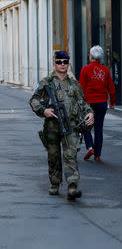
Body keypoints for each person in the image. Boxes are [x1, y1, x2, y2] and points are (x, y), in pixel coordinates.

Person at [29, 51, 94, 200]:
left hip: (70, 125)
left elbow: (83, 103)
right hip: (52, 126)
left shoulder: (74, 84)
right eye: (59, 62)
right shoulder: (47, 83)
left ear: (68, 64)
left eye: (65, 62)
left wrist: (90, 113)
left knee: (70, 155)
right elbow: (33, 100)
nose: (62, 65)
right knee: (53, 156)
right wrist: (44, 110)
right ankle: (55, 183)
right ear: (54, 64)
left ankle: (72, 185)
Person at [79, 45, 116, 162]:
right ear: (100, 58)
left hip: (89, 103)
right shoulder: (105, 70)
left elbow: (81, 88)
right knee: (99, 128)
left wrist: (80, 102)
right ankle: (97, 155)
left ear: (90, 57)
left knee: (86, 126)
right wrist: (113, 103)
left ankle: (90, 147)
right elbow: (112, 88)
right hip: (102, 102)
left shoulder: (85, 69)